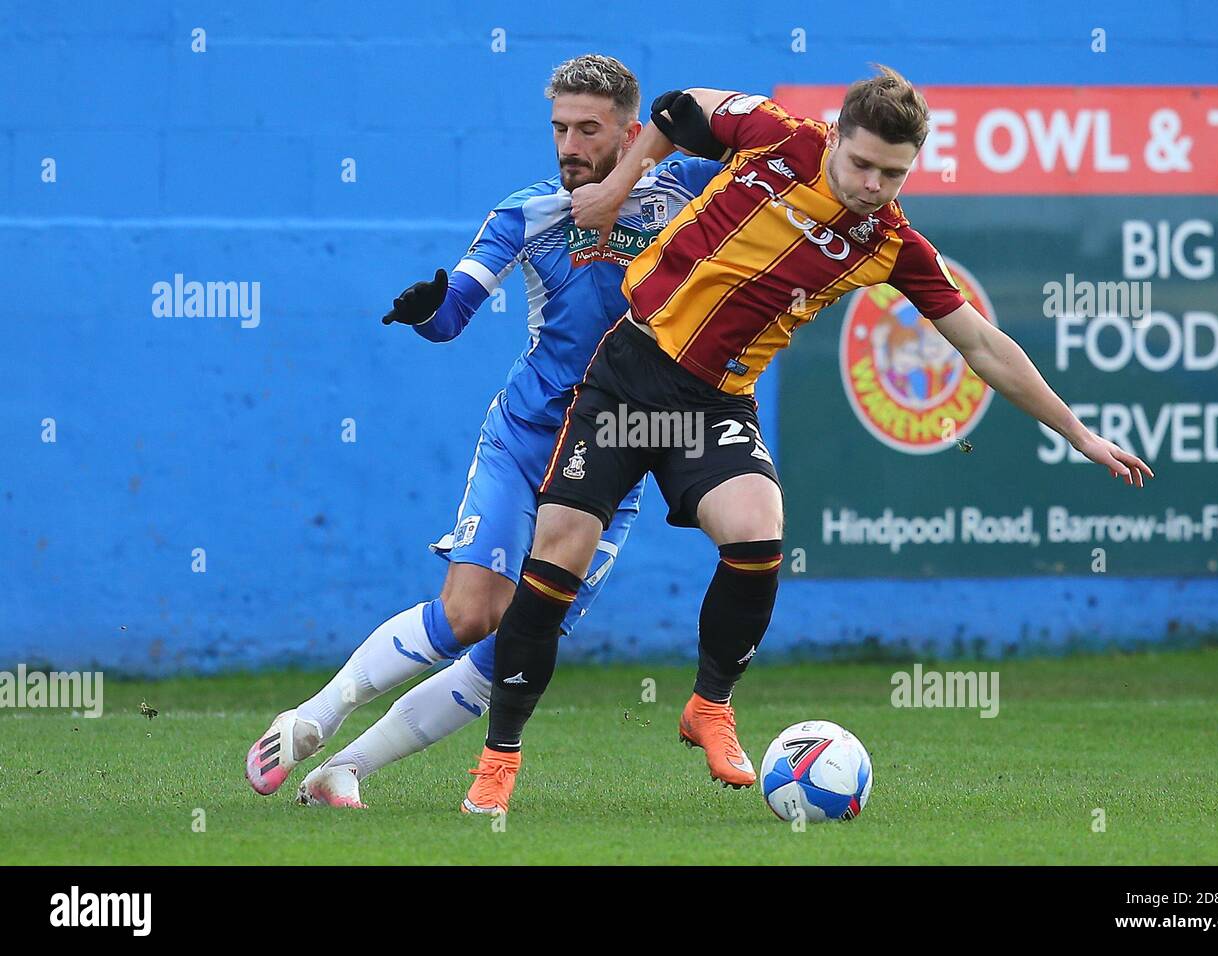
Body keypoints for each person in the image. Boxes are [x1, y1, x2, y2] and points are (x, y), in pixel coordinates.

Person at [460, 65, 1155, 815]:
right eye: (861, 164)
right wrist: (624, 179)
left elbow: (983, 346)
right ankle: (499, 760)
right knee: (558, 552)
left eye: (893, 174)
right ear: (837, 138)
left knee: (758, 531)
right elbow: (673, 107)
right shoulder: (777, 135)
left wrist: (1080, 434)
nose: (872, 185)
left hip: (717, 401)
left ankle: (710, 706)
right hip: (629, 374)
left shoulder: (891, 242)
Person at [244, 54, 720, 808]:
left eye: (588, 130)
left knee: (511, 647)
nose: (569, 144)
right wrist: (428, 308)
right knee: (471, 611)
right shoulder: (526, 211)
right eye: (559, 127)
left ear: (632, 133)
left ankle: (348, 771)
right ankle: (313, 718)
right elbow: (456, 310)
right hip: (527, 439)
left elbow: (756, 160)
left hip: (615, 454)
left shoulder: (685, 192)